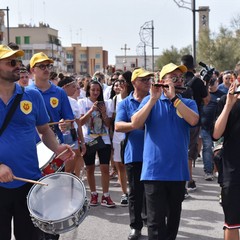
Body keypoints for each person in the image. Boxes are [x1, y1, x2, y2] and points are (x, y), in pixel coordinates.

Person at [0, 45, 75, 240]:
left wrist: (57, 148)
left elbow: (44, 130)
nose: (18, 66)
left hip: (29, 183)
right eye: (11, 62)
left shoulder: (32, 96)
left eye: (18, 62)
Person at [131, 63, 199, 240]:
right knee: (155, 222)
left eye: (180, 78)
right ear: (162, 81)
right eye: (173, 77)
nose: (178, 81)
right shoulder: (149, 100)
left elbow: (194, 121)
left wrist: (174, 100)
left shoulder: (188, 102)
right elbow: (136, 123)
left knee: (173, 220)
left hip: (177, 171)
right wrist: (153, 99)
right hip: (154, 172)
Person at [115, 68, 152, 240]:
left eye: (149, 79)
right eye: (143, 79)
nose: (148, 82)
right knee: (135, 193)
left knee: (152, 192)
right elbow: (118, 126)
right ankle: (135, 227)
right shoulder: (125, 103)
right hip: (135, 153)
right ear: (134, 82)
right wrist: (135, 124)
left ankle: (151, 223)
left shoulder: (155, 100)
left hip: (154, 154)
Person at [78, 79, 115, 207]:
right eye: (93, 89)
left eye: (98, 90)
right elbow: (80, 122)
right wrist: (91, 110)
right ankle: (93, 194)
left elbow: (109, 124)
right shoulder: (82, 102)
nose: (95, 92)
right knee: (90, 168)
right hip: (89, 140)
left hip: (103, 139)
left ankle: (106, 195)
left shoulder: (106, 103)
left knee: (105, 167)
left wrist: (103, 112)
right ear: (88, 90)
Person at [213, 81, 240, 240]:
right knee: (232, 222)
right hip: (233, 169)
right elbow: (216, 134)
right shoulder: (225, 100)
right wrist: (229, 105)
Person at [28, 52, 74, 144]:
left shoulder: (60, 92)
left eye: (48, 66)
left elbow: (70, 120)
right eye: (42, 66)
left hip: (57, 145)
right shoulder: (25, 93)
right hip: (32, 146)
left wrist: (65, 124)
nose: (46, 69)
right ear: (33, 70)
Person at [181, 54, 210, 193]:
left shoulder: (178, 79)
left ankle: (182, 180)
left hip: (178, 118)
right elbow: (207, 100)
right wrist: (206, 84)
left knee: (181, 149)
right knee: (189, 151)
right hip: (193, 119)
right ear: (193, 67)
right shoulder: (197, 82)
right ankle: (189, 181)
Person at [111, 71, 134, 207]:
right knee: (120, 165)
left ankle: (134, 190)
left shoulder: (135, 97)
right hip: (118, 137)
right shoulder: (115, 99)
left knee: (131, 165)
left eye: (122, 81)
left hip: (132, 137)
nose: (119, 84)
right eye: (118, 81)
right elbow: (111, 121)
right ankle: (124, 193)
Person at [57, 76, 86, 177]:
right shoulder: (55, 101)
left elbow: (78, 124)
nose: (75, 90)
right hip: (57, 138)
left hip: (71, 138)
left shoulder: (74, 102)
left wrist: (82, 142)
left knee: (69, 170)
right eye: (73, 87)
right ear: (65, 87)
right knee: (59, 170)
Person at [200, 77, 225, 180]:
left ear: (217, 83)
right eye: (208, 83)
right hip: (205, 126)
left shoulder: (222, 95)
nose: (210, 85)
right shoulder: (204, 95)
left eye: (212, 83)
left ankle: (218, 170)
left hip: (217, 128)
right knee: (207, 147)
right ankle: (208, 171)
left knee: (217, 150)